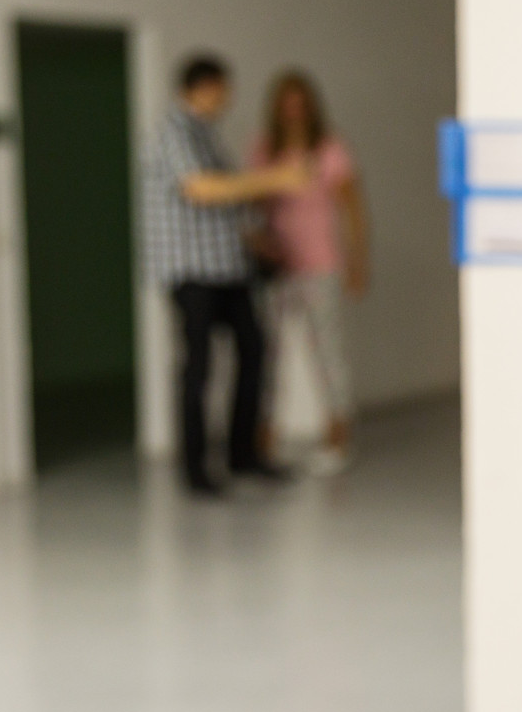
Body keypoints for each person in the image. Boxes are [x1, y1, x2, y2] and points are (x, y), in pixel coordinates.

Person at [142, 54, 304, 496]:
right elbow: (200, 189)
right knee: (198, 369)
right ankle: (195, 470)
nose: (226, 99)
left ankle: (243, 455)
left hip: (228, 267)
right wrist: (275, 179)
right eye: (222, 90)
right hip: (192, 272)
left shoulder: (207, 135)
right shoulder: (173, 131)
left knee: (254, 352)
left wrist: (259, 241)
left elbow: (228, 201)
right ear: (203, 87)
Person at [249, 71, 369, 473]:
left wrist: (358, 260)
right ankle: (264, 434)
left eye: (300, 102)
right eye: (286, 102)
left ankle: (337, 433)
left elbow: (352, 206)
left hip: (320, 262)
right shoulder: (265, 149)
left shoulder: (329, 149)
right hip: (278, 265)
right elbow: (253, 201)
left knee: (327, 349)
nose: (293, 110)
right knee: (268, 353)